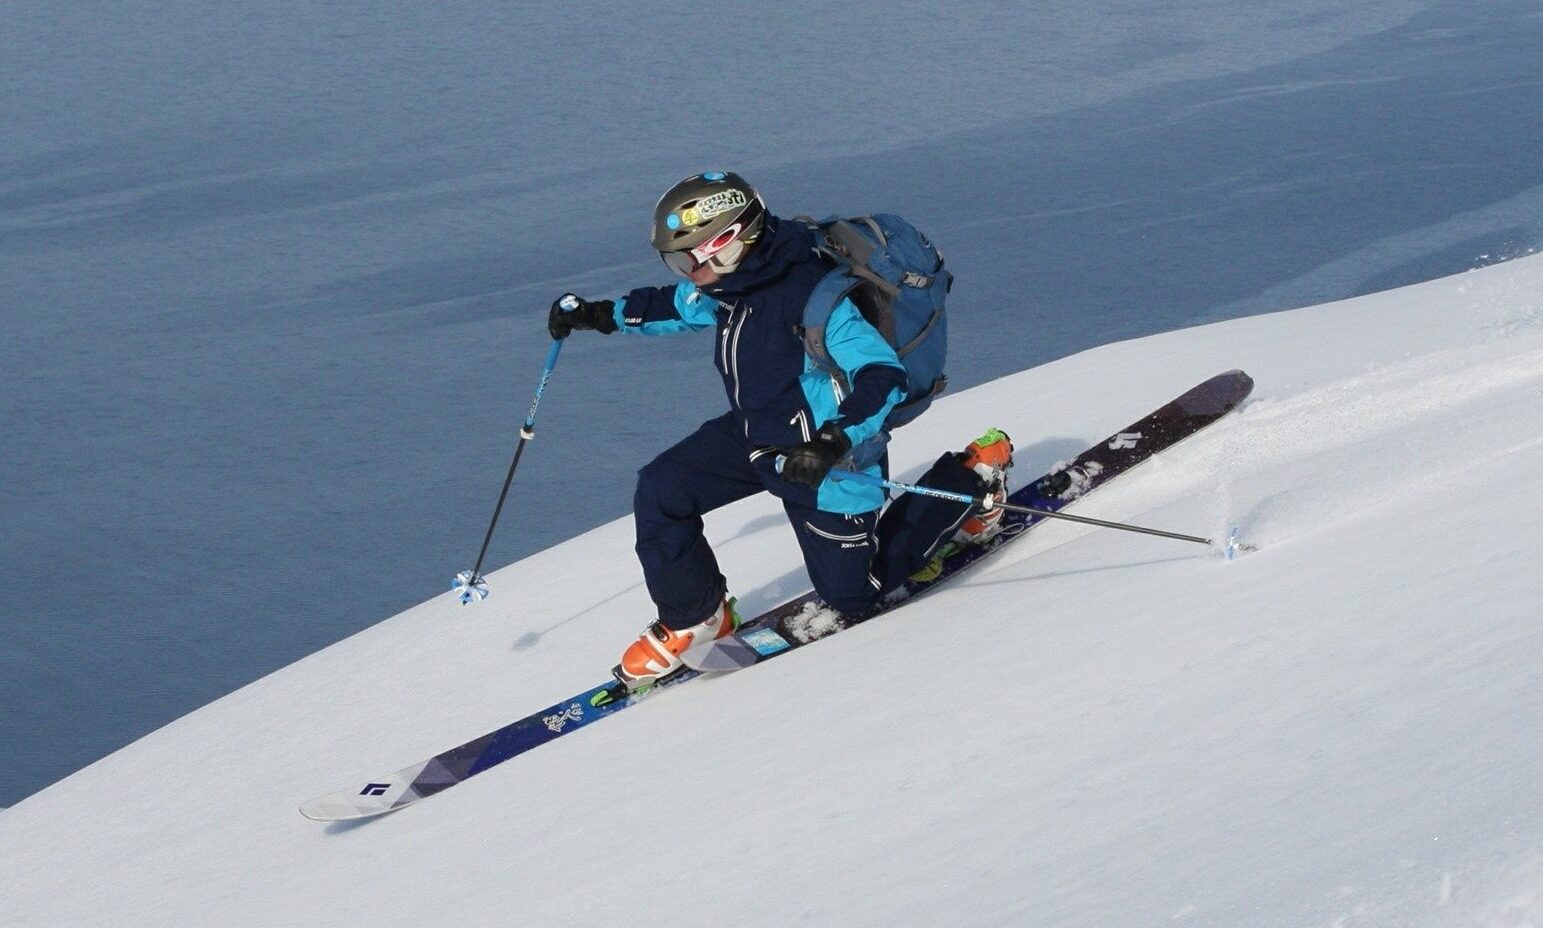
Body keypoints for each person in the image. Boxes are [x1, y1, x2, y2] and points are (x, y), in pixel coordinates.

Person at [548, 171, 1014, 690]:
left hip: (826, 462)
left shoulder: (816, 299)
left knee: (853, 596)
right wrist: (600, 315)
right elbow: (678, 307)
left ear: (733, 241)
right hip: (755, 437)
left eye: (693, 259)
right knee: (664, 488)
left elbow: (883, 376)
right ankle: (697, 617)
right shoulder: (730, 284)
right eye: (678, 262)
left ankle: (970, 483)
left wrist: (835, 439)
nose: (689, 272)